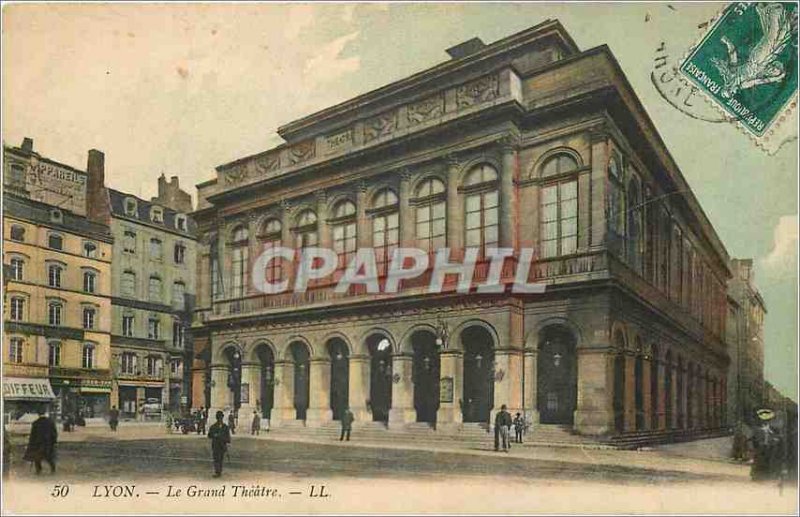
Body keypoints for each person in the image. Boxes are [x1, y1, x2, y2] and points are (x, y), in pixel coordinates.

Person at [23, 408, 58, 475]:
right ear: (45, 413)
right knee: (49, 457)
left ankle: (38, 470)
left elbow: (33, 435)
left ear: (38, 414)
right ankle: (53, 469)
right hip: (48, 443)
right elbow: (54, 433)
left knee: (37, 457)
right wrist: (54, 441)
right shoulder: (51, 422)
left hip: (38, 443)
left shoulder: (35, 423)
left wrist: (31, 443)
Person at [207, 411, 231, 477]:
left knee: (220, 459)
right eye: (218, 417)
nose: (220, 419)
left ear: (222, 418)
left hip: (222, 446)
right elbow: (209, 435)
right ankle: (217, 472)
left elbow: (228, 438)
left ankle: (219, 471)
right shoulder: (213, 426)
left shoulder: (225, 427)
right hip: (215, 445)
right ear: (217, 418)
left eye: (221, 417)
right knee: (216, 459)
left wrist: (224, 439)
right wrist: (214, 435)